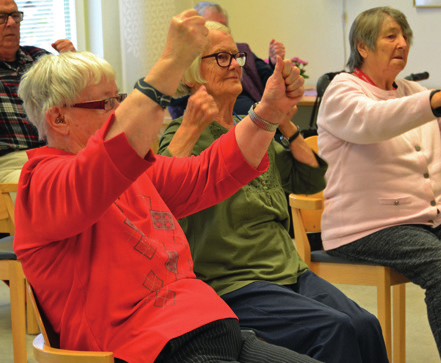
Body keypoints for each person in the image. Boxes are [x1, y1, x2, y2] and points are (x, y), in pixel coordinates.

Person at [13, 9, 321, 363]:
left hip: (211, 326)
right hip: (150, 348)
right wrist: (173, 61)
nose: (117, 112)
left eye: (119, 99)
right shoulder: (43, 184)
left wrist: (267, 113)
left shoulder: (132, 173)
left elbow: (210, 173)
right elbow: (103, 162)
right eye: (106, 103)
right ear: (59, 118)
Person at [157, 20, 388, 363]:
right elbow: (157, 195)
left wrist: (284, 121)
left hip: (287, 269)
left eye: (236, 56)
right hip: (234, 283)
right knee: (334, 329)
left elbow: (310, 180)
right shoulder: (181, 134)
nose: (236, 64)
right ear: (193, 73)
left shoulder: (250, 128)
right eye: (222, 57)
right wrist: (192, 127)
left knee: (365, 324)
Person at [316, 6, 441, 357]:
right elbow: (374, 121)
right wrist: (433, 102)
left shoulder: (411, 89)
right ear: (363, 47)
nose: (401, 42)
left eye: (404, 36)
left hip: (423, 220)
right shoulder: (342, 91)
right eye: (390, 36)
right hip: (366, 226)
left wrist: (429, 101)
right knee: (440, 268)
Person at [0, 0, 75, 186]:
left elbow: (79, 102)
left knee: (98, 174)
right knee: (46, 186)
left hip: (56, 155)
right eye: (1, 17)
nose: (11, 23)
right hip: (10, 164)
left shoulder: (39, 59)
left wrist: (74, 63)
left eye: (15, 16)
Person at [168, 1, 286, 118]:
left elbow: (269, 79)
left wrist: (274, 64)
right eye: (221, 57)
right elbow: (174, 94)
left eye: (224, 27)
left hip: (261, 119)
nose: (235, 64)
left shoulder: (243, 50)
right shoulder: (188, 61)